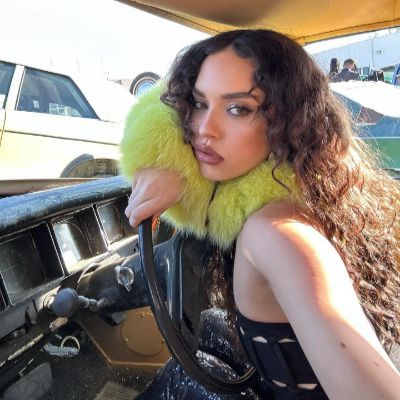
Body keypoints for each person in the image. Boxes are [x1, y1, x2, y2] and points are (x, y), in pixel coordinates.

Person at [121, 29, 400, 399]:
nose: (205, 130)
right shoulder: (316, 191)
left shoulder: (276, 234)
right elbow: (166, 97)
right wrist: (175, 166)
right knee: (210, 329)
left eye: (238, 109)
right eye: (199, 103)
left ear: (289, 120)